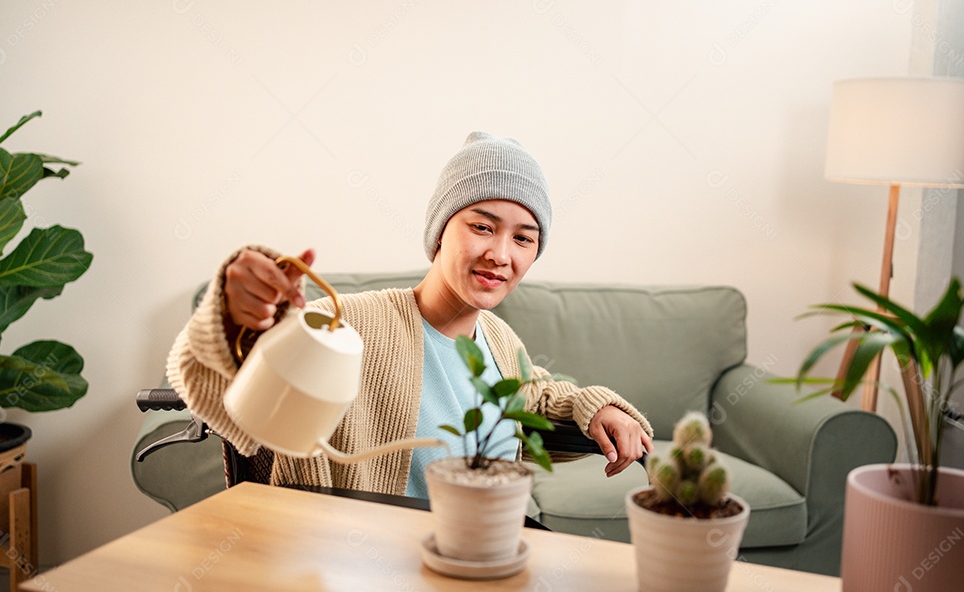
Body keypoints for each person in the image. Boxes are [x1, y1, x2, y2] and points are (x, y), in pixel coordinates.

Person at [167, 131, 654, 497]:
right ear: (441, 231)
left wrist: (595, 407)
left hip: (481, 559)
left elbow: (538, 395)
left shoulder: (501, 343)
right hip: (367, 569)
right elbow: (218, 374)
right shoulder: (354, 324)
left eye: (524, 238)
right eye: (482, 226)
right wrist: (239, 315)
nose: (501, 254)